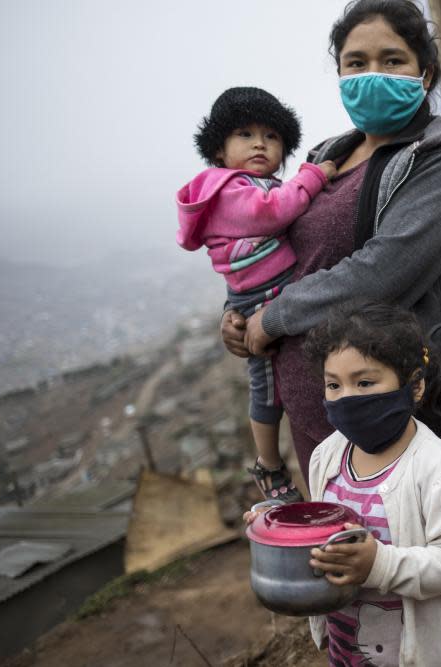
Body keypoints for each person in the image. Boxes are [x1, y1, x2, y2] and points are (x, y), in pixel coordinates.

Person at [220, 0, 441, 483]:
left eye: (392, 60)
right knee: (337, 550)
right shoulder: (326, 156)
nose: (373, 74)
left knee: (409, 550)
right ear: (339, 73)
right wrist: (239, 314)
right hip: (315, 405)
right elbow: (279, 256)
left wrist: (274, 317)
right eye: (356, 63)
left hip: (390, 407)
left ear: (424, 74)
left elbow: (384, 270)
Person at [247, 303, 441, 666]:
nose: (346, 398)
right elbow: (326, 530)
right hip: (348, 648)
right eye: (333, 384)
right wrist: (277, 528)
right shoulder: (326, 456)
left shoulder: (438, 471)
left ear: (415, 385)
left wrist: (380, 565)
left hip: (420, 656)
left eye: (364, 382)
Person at [177, 87, 337, 503]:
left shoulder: (251, 184)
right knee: (266, 386)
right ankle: (268, 464)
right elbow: (273, 210)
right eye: (245, 134)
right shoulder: (226, 188)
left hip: (271, 292)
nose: (259, 144)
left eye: (270, 136)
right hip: (260, 299)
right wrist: (314, 176)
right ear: (218, 150)